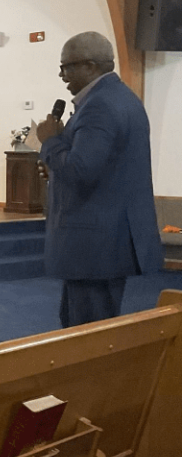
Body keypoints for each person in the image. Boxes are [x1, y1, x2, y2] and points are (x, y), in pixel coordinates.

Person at [36, 31, 163, 329]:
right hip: (104, 237)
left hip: (93, 242)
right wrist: (56, 167)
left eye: (66, 66)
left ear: (90, 66)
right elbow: (101, 167)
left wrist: (50, 143)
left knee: (88, 330)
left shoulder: (99, 106)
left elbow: (81, 171)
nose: (61, 75)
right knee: (86, 325)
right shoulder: (122, 98)